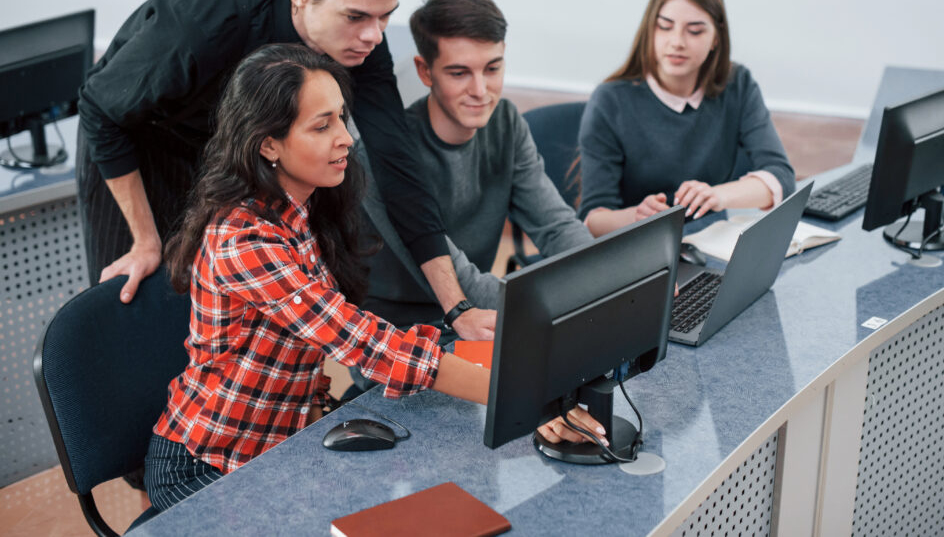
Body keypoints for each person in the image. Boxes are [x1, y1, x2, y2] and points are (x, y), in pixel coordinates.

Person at [143, 45, 605, 511]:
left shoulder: (300, 210)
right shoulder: (244, 241)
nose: (345, 138)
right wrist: (527, 399)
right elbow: (363, 342)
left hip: (280, 446)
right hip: (210, 463)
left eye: (342, 118)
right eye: (322, 126)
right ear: (268, 144)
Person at [76, 0, 493, 340]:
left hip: (224, 154)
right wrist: (145, 240)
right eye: (356, 16)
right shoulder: (210, 16)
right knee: (141, 310)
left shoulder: (362, 46)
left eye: (385, 15)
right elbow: (100, 110)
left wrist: (457, 308)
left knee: (221, 317)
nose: (374, 34)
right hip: (134, 145)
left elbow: (397, 169)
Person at [357, 0, 593, 330]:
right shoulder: (383, 154)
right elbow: (461, 283)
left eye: (492, 69)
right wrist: (574, 298)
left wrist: (603, 279)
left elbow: (556, 228)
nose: (481, 91)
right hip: (400, 330)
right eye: (459, 73)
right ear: (425, 71)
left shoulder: (505, 123)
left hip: (477, 315)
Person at [578, 0, 796, 236]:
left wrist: (717, 196)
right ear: (650, 30)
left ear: (716, 38)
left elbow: (781, 176)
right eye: (665, 27)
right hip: (638, 244)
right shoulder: (610, 100)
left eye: (694, 31)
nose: (677, 42)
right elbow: (592, 220)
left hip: (710, 240)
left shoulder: (738, 84)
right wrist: (637, 216)